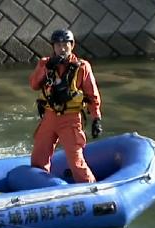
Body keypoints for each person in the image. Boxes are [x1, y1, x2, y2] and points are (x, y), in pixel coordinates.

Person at [28, 29, 103, 183]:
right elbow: (34, 85)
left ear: (72, 45)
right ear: (53, 47)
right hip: (49, 116)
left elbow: (92, 94)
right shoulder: (45, 63)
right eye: (58, 45)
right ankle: (40, 188)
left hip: (70, 119)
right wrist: (46, 67)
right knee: (38, 158)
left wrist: (96, 118)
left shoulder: (82, 67)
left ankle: (89, 188)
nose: (62, 48)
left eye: (65, 45)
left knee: (76, 161)